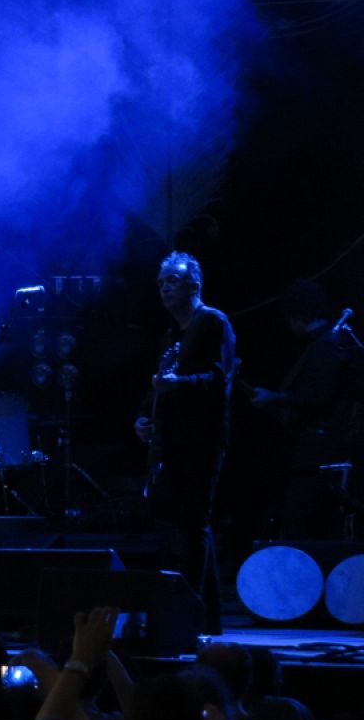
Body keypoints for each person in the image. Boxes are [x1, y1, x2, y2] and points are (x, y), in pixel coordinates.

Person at [134, 251, 235, 634]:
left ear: (194, 284)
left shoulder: (212, 322)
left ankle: (193, 616)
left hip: (204, 439)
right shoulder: (171, 335)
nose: (164, 288)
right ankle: (206, 616)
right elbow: (159, 384)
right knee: (189, 527)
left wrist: (178, 385)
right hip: (173, 440)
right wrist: (143, 418)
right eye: (161, 282)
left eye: (172, 281)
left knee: (194, 525)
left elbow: (218, 379)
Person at [249, 280, 360, 539]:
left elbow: (318, 396)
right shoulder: (326, 342)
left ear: (295, 314)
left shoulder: (326, 344)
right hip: (319, 449)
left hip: (316, 452)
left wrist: (275, 398)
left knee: (300, 524)